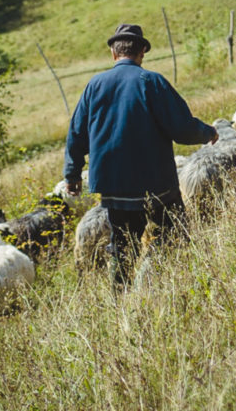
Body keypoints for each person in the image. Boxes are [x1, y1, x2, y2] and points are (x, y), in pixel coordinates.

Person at [63, 22, 218, 290]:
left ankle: (120, 298)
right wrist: (208, 133)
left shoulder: (94, 85)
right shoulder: (151, 82)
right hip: (156, 184)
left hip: (113, 186)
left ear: (114, 54)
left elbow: (77, 133)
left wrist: (72, 174)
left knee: (122, 246)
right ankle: (161, 285)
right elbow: (181, 128)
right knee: (173, 236)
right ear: (141, 53)